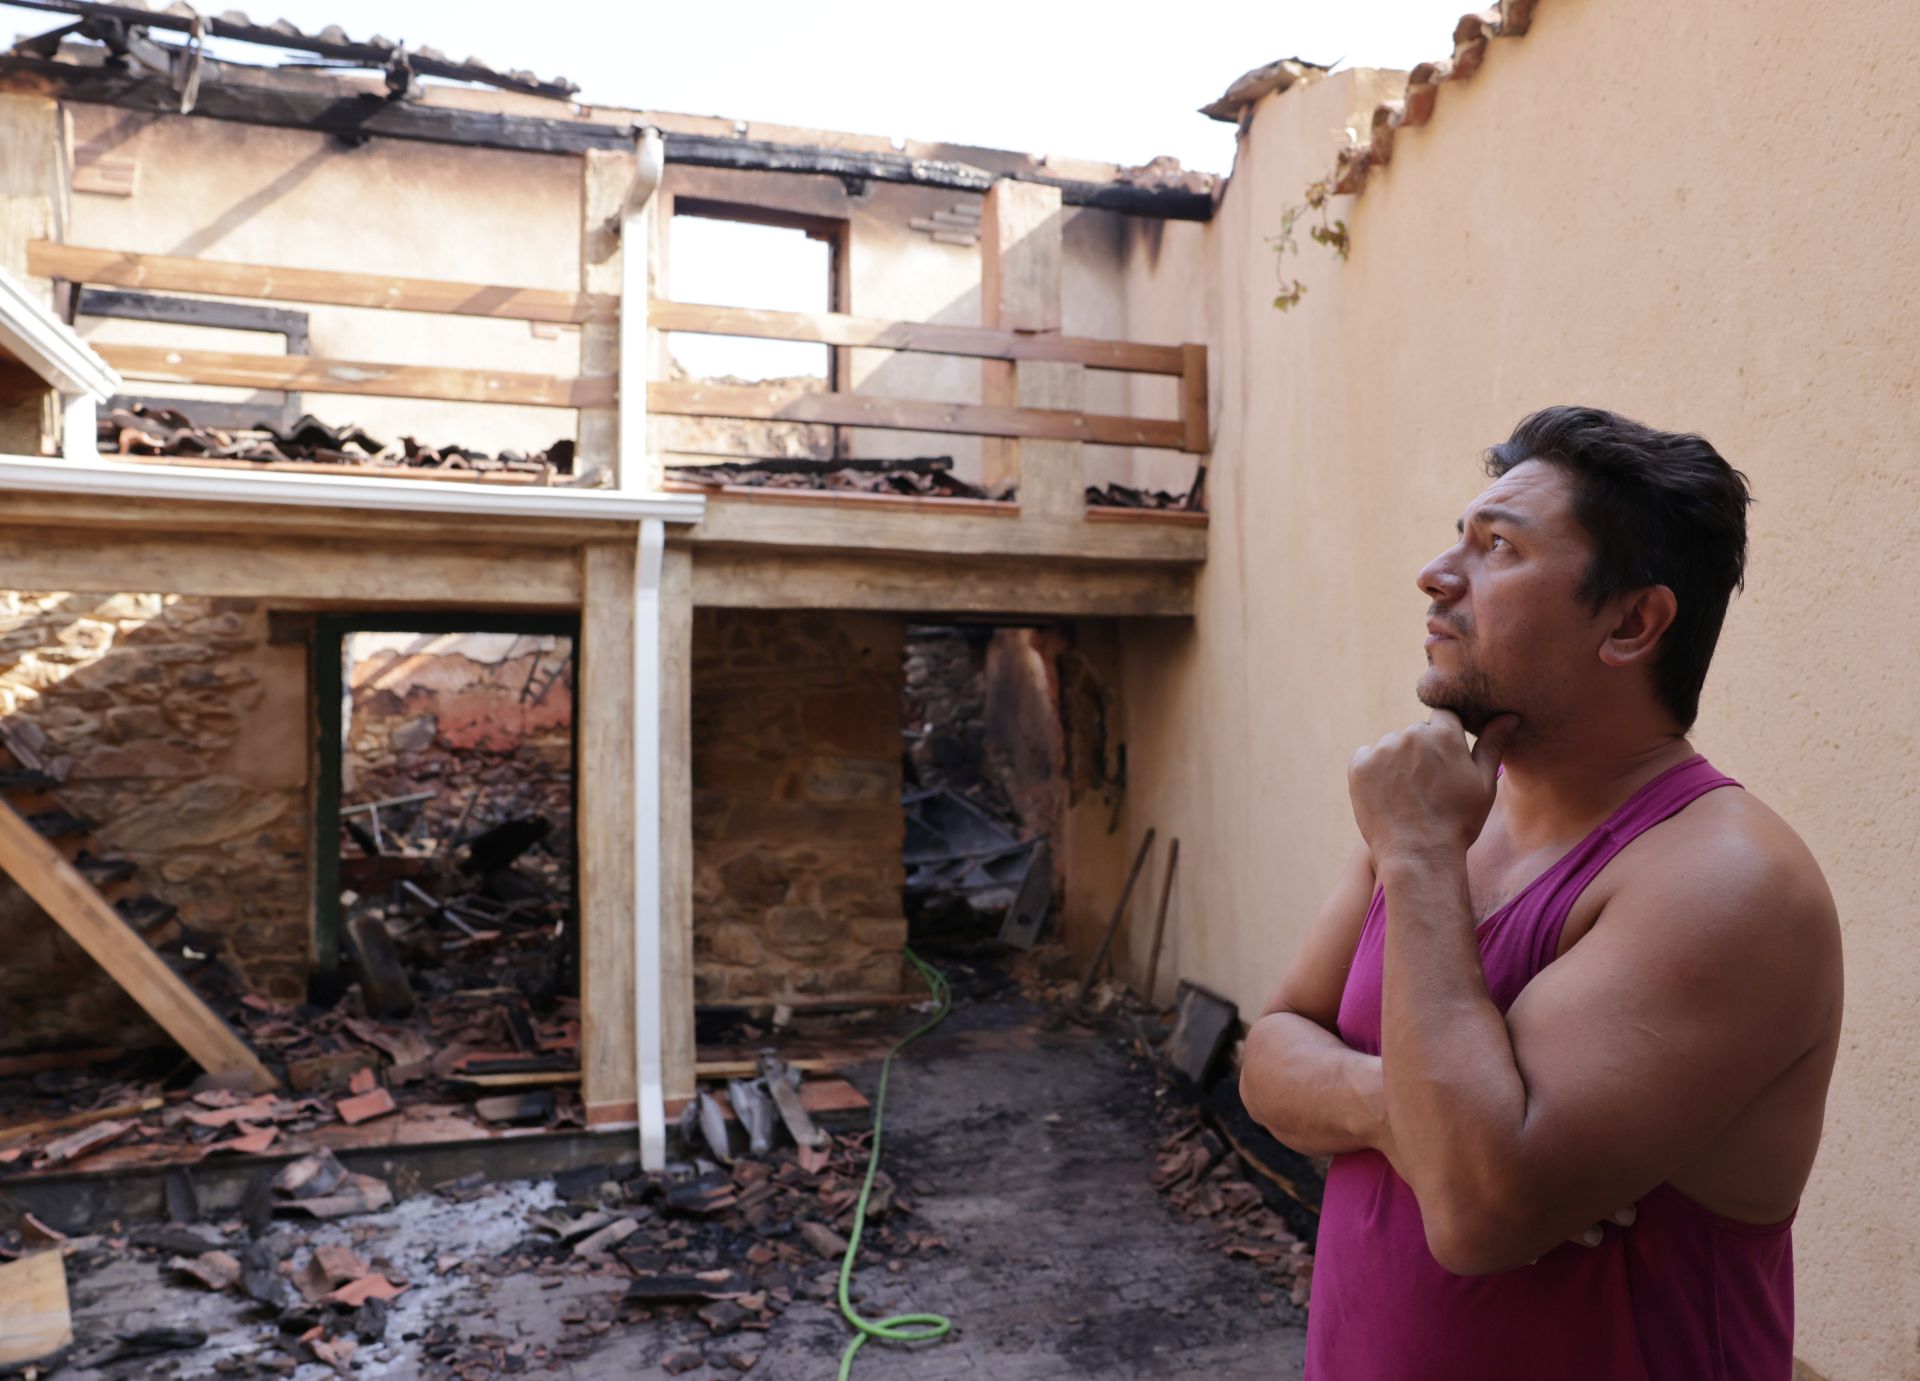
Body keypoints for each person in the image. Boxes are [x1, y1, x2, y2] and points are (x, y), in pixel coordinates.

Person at [1240, 407, 1842, 1380]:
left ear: (1631, 623)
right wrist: (1398, 1108)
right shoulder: (1437, 814)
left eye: (1498, 548)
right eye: (1459, 537)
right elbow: (1268, 1054)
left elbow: (1479, 1210)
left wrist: (1418, 860)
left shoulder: (1729, 882)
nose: (1436, 574)